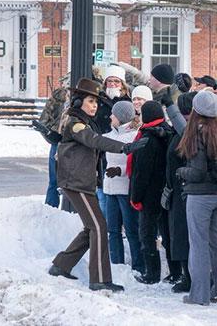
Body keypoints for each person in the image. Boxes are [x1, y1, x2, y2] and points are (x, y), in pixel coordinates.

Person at [49, 78, 146, 292]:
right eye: (91, 101)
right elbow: (95, 141)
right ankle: (99, 279)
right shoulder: (75, 123)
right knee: (99, 226)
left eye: (96, 102)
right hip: (76, 183)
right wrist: (125, 147)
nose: (94, 106)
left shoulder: (81, 121)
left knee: (91, 227)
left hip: (81, 182)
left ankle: (61, 265)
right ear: (77, 102)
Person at [177, 91, 217, 305]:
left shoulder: (197, 133)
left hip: (199, 195)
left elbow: (197, 172)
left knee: (198, 244)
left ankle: (199, 295)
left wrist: (181, 172)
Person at [129, 100, 174, 284]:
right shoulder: (168, 133)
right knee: (168, 234)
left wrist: (135, 196)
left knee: (147, 234)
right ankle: (175, 271)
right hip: (167, 191)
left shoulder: (146, 138)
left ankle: (152, 273)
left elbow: (141, 172)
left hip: (150, 195)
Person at [102, 101, 144, 274]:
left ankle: (138, 266)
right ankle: (116, 264)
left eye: (113, 114)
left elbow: (136, 164)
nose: (110, 116)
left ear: (120, 117)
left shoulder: (134, 136)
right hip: (110, 189)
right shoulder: (107, 136)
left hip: (125, 189)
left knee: (132, 229)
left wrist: (120, 170)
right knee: (112, 230)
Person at [162, 91, 198, 293]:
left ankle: (190, 277)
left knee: (185, 236)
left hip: (185, 189)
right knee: (180, 235)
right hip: (178, 190)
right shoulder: (181, 131)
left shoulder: (189, 132)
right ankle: (186, 274)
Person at [94, 65, 131, 220]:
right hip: (101, 150)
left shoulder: (128, 102)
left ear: (122, 84)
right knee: (103, 193)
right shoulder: (98, 101)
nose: (113, 84)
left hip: (121, 151)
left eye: (117, 81)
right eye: (110, 81)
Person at [38, 75, 68, 208]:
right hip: (59, 141)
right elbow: (44, 120)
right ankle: (50, 213)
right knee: (54, 182)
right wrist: (52, 136)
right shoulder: (59, 95)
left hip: (77, 143)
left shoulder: (87, 98)